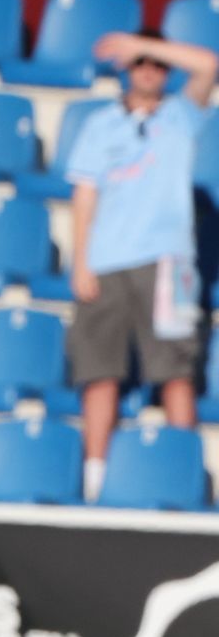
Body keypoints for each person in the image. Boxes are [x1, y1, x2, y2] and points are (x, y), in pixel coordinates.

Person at [66, 30, 217, 502]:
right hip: (107, 263)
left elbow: (209, 64)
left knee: (175, 374)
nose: (149, 70)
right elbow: (84, 196)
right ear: (127, 70)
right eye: (140, 63)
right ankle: (94, 483)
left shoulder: (180, 116)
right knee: (99, 372)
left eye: (156, 63)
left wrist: (141, 42)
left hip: (167, 264)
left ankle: (182, 477)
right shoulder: (100, 124)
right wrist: (81, 262)